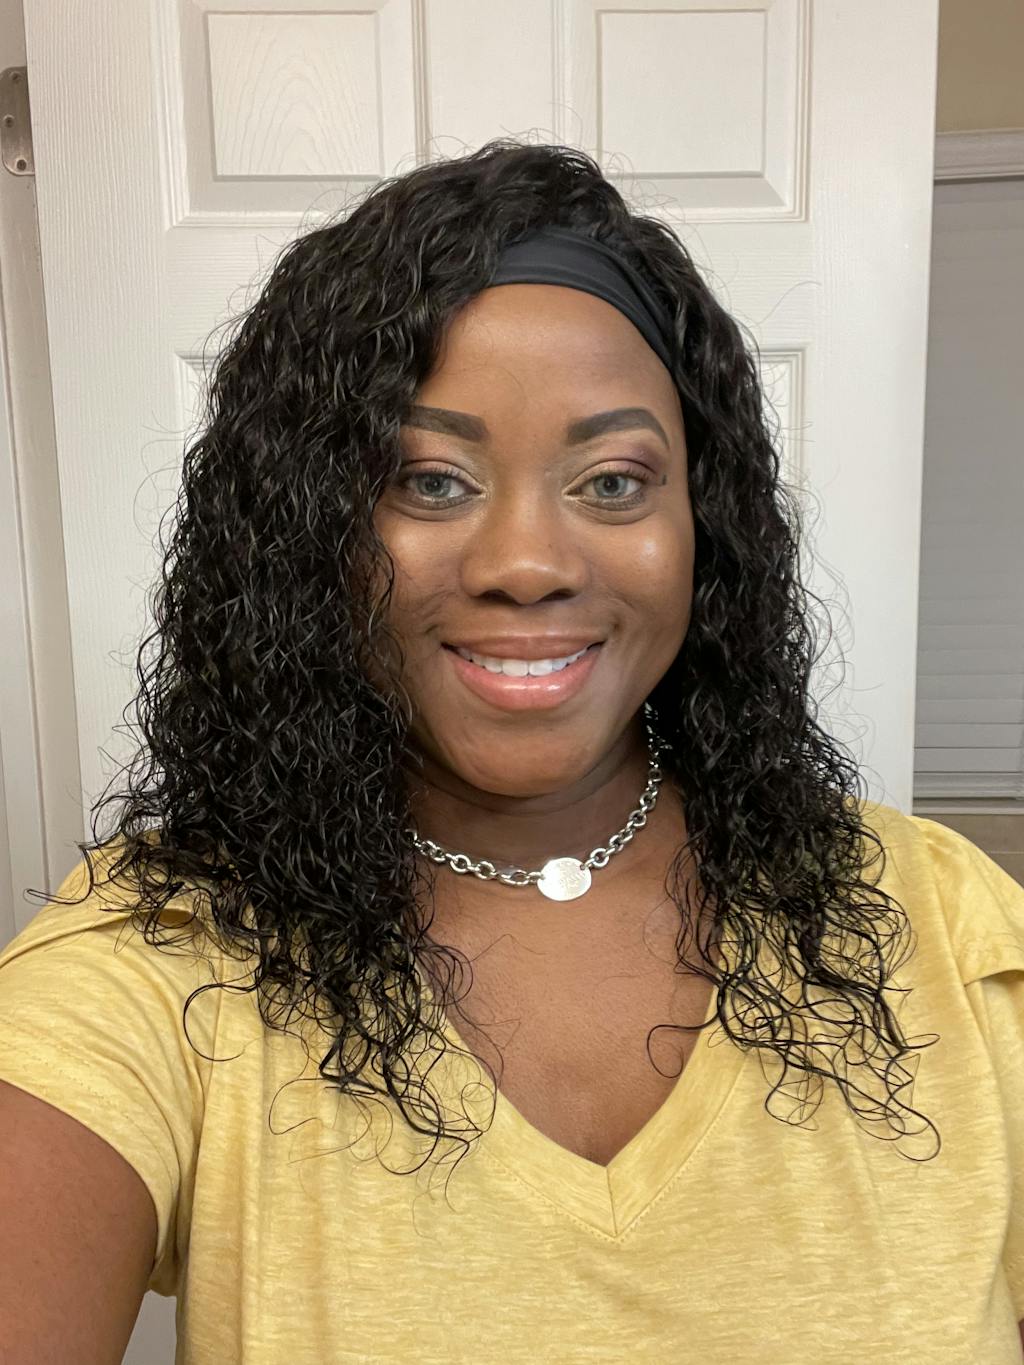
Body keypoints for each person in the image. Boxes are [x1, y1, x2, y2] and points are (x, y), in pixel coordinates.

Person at [1, 139, 1023, 1364]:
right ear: (308, 529)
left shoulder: (944, 925)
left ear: (705, 523)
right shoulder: (164, 951)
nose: (528, 564)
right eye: (430, 481)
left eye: (613, 481)